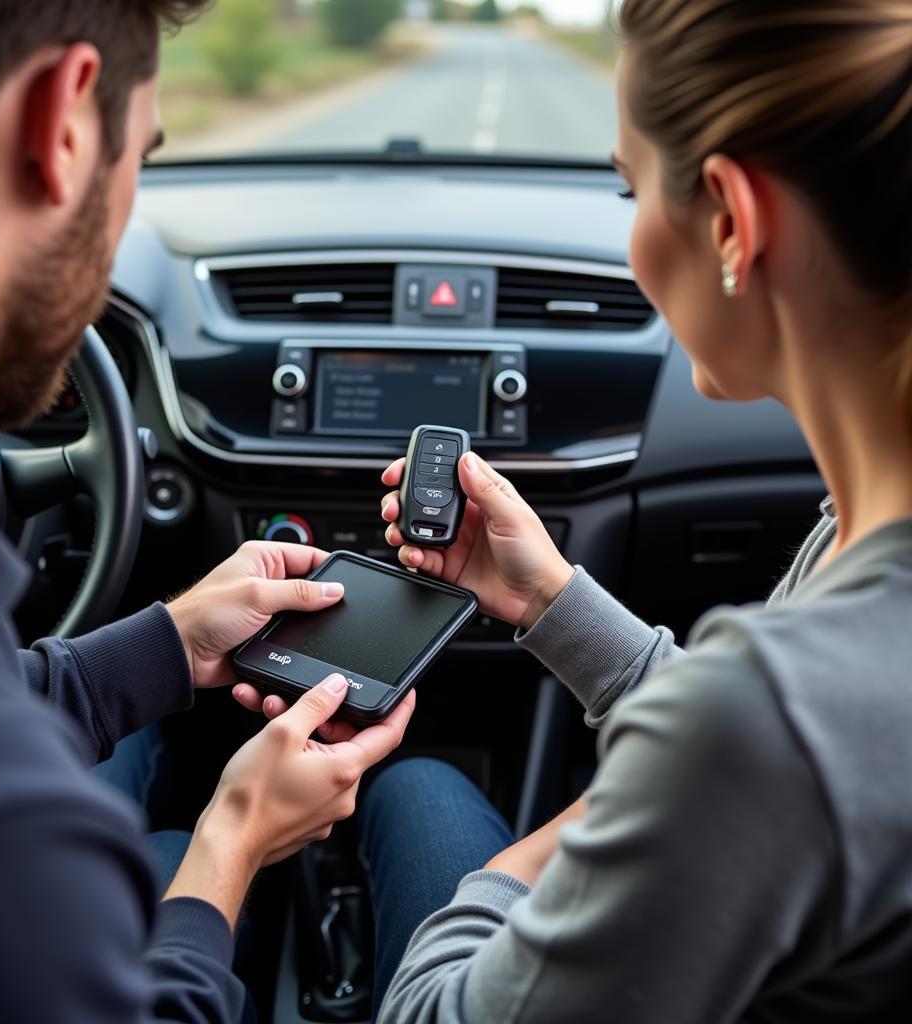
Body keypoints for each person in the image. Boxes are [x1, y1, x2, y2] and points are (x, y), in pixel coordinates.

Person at [361, 0, 912, 1019]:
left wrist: (601, 817)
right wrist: (552, 599)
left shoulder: (759, 729)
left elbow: (427, 1010)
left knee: (405, 788)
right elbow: (776, 760)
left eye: (629, 188)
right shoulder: (854, 534)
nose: (630, 243)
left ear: (730, 220)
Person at [0, 3, 414, 1021]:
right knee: (196, 847)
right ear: (66, 124)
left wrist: (168, 643)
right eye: (146, 157)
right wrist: (234, 842)